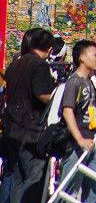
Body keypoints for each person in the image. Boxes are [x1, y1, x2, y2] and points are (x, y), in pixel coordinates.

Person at [2, 27, 55, 203]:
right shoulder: (40, 65)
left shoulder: (16, 63)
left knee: (17, 178)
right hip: (29, 130)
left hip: (12, 127)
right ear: (49, 49)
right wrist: (58, 96)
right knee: (33, 178)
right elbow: (41, 94)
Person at [60, 39, 96, 203]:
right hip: (76, 143)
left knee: (94, 189)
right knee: (68, 189)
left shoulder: (89, 81)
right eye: (94, 55)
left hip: (90, 140)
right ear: (82, 57)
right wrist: (79, 139)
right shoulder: (74, 82)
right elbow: (67, 111)